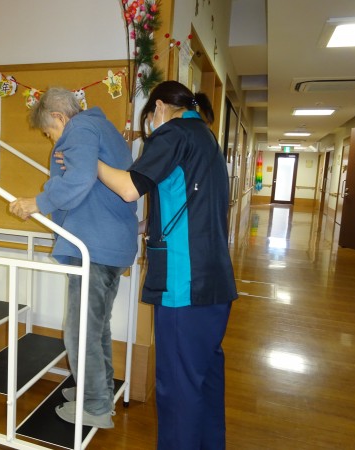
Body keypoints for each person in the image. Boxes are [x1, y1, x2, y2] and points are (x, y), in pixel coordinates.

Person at [97, 80, 238, 449]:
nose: (149, 126)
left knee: (177, 388)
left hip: (184, 285)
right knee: (204, 378)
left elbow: (129, 187)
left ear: (158, 107)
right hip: (214, 282)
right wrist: (144, 226)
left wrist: (89, 162)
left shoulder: (173, 133)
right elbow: (189, 204)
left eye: (149, 118)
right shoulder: (205, 137)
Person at [9, 87, 138, 429]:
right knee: (96, 328)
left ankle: (94, 406)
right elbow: (87, 179)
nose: (52, 141)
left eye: (49, 132)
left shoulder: (80, 128)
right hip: (108, 246)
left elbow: (79, 180)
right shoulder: (101, 127)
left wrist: (37, 202)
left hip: (94, 246)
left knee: (80, 333)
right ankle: (98, 392)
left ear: (59, 117)